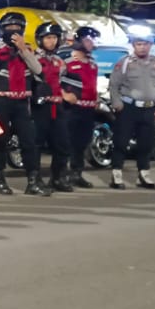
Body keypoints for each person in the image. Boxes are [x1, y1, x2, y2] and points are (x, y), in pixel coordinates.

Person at [0, 11, 51, 196]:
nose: (13, 31)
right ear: (2, 29)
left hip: (22, 104)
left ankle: (32, 181)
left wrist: (24, 50)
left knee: (29, 142)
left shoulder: (28, 49)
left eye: (17, 28)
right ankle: (0, 180)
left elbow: (38, 70)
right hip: (0, 104)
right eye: (9, 28)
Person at [108, 34, 155, 189]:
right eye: (139, 44)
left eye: (145, 44)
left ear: (150, 45)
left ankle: (144, 174)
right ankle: (117, 174)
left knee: (146, 143)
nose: (142, 47)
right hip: (128, 108)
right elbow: (114, 85)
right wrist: (117, 102)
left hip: (149, 108)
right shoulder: (125, 63)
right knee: (121, 141)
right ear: (134, 46)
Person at [29, 21, 73, 192]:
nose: (52, 41)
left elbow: (62, 82)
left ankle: (58, 177)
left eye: (54, 37)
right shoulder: (33, 58)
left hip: (57, 106)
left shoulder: (59, 61)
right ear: (40, 39)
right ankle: (36, 178)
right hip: (40, 106)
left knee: (62, 143)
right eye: (48, 37)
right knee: (37, 144)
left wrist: (66, 94)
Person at [59, 26, 103, 188]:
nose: (91, 44)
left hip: (88, 109)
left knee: (82, 142)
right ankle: (62, 175)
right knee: (68, 143)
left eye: (92, 41)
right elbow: (53, 81)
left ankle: (77, 173)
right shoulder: (67, 62)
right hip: (72, 109)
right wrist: (64, 94)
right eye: (87, 40)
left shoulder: (92, 64)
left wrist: (96, 97)